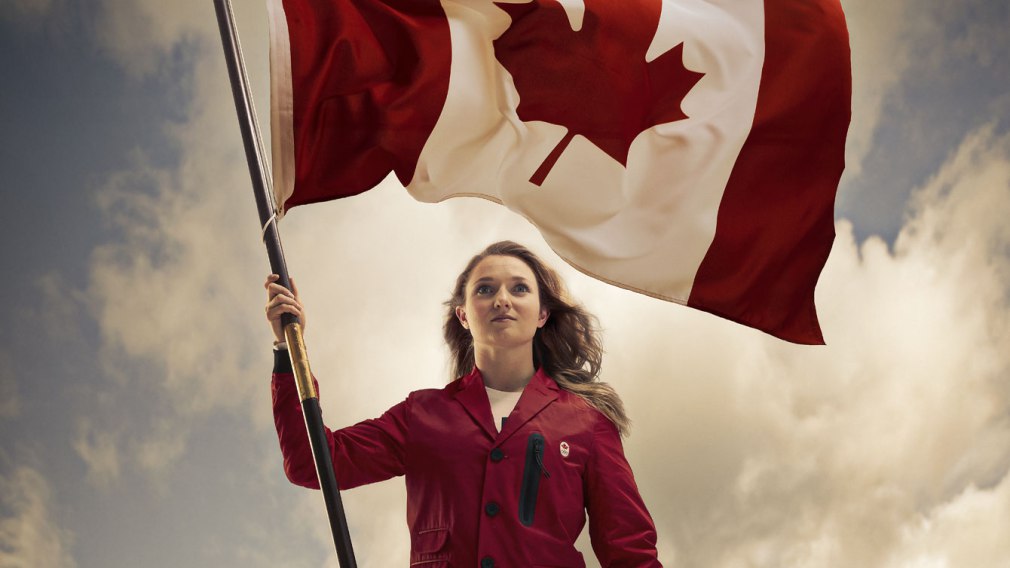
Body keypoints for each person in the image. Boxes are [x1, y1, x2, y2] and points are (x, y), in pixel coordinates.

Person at [266, 241, 661, 567]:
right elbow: (312, 463)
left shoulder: (587, 423)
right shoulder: (422, 414)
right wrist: (288, 349)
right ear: (464, 315)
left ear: (543, 314)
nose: (501, 299)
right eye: (484, 289)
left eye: (519, 289)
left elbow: (630, 551)